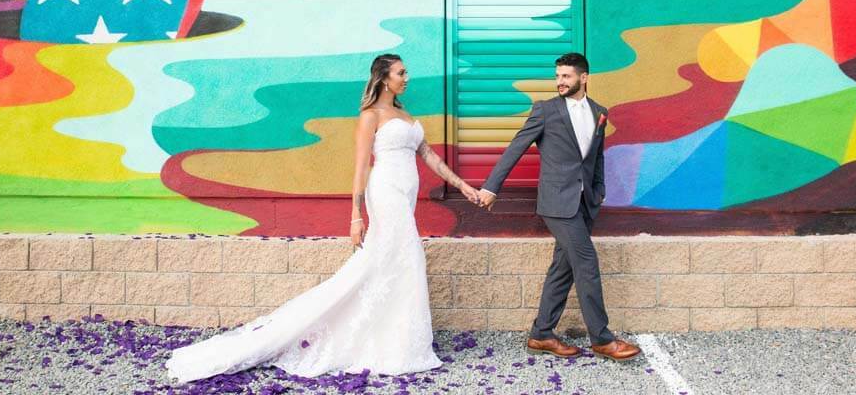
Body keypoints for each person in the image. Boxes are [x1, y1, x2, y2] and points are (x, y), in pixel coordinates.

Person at [165, 53, 481, 383]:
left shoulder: (404, 112)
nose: (406, 77)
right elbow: (360, 166)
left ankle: (398, 341)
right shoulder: (370, 115)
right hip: (385, 192)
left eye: (406, 72)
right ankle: (390, 344)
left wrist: (462, 185)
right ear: (384, 78)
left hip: (405, 195)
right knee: (405, 257)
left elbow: (427, 153)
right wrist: (356, 216)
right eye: (401, 73)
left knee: (397, 264)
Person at [478, 52, 641, 362]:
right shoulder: (545, 111)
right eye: (557, 77)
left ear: (584, 78)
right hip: (556, 202)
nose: (559, 82)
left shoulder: (599, 112)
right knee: (586, 262)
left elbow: (596, 157)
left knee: (562, 270)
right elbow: (517, 147)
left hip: (585, 203)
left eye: (566, 76)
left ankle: (542, 333)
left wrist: (600, 189)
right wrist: (491, 186)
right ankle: (603, 339)